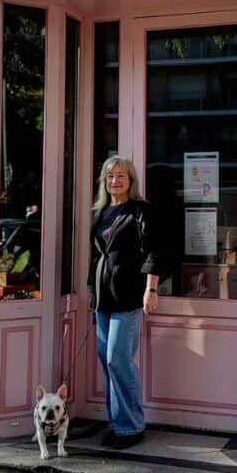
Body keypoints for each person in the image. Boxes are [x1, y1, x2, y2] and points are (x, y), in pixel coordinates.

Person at [88, 156, 161, 449]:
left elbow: (153, 251)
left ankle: (131, 427)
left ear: (131, 180)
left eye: (120, 175)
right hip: (103, 297)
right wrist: (93, 295)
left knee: (118, 359)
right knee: (106, 362)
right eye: (109, 176)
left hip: (128, 295)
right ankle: (117, 423)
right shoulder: (101, 211)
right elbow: (97, 256)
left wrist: (151, 290)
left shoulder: (140, 210)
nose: (114, 181)